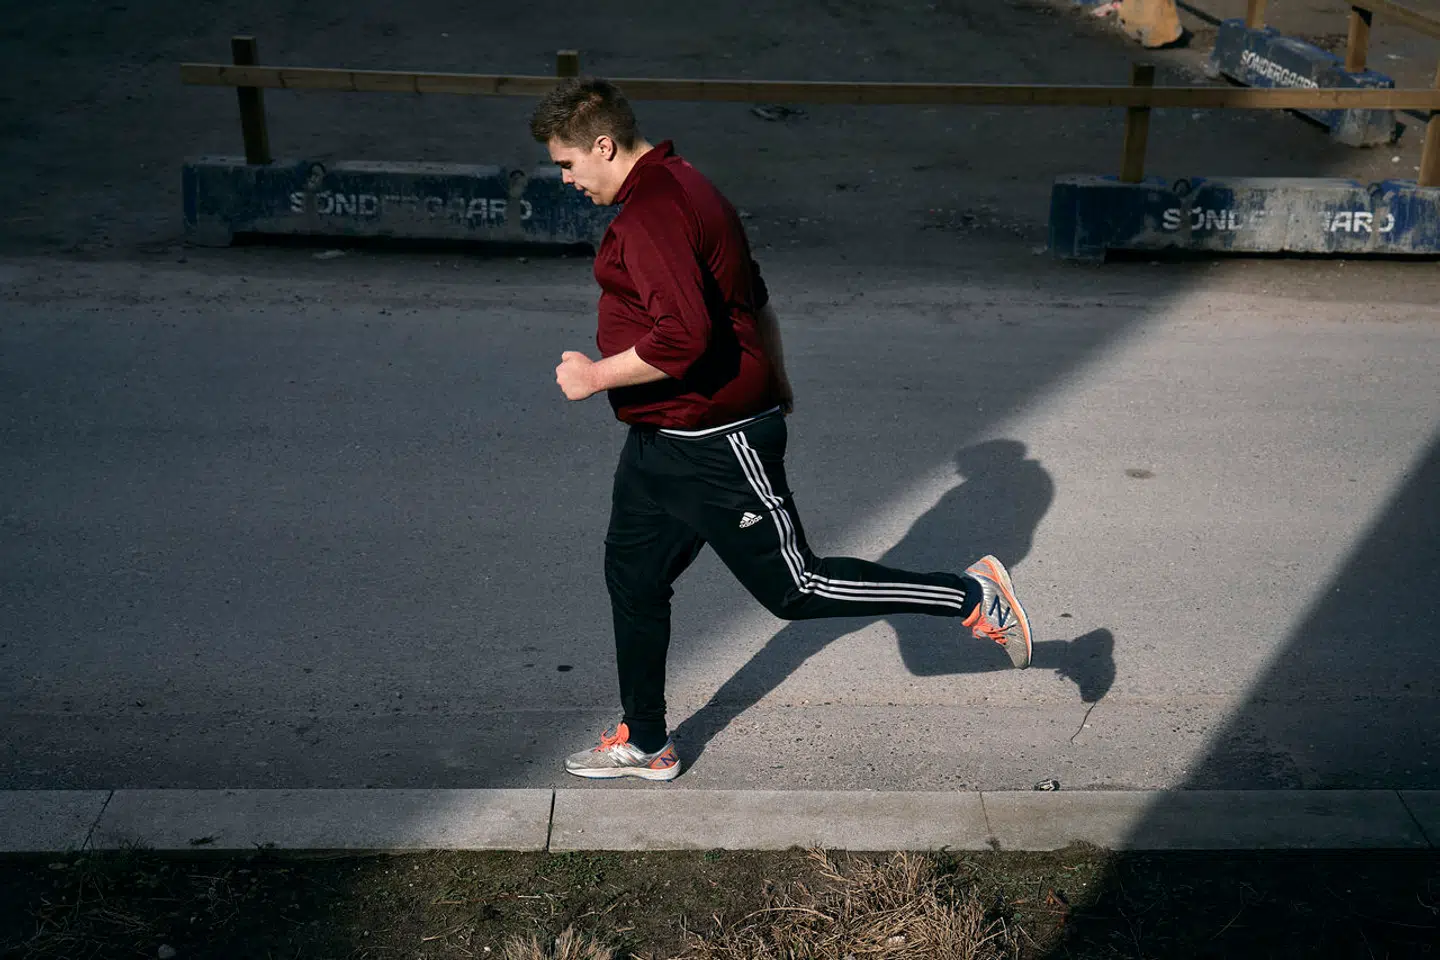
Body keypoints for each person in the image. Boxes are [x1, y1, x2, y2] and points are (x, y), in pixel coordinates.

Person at [529, 77, 1033, 782]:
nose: (566, 178)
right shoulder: (687, 181)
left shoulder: (652, 213)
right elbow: (754, 298)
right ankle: (646, 739)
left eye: (566, 163)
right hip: (660, 441)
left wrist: (592, 377)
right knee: (633, 578)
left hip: (715, 438)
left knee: (796, 588)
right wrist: (781, 379)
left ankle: (972, 595)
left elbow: (686, 339)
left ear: (603, 145)